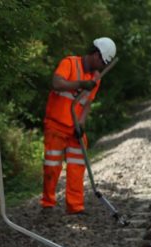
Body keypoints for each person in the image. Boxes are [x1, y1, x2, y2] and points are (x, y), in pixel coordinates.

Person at [40, 37, 116, 215]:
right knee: (52, 165)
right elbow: (57, 83)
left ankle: (75, 206)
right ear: (95, 54)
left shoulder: (96, 78)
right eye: (101, 62)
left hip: (74, 126)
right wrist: (81, 84)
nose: (101, 67)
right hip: (56, 125)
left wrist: (81, 123)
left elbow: (87, 103)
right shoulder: (69, 63)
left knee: (77, 164)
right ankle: (47, 204)